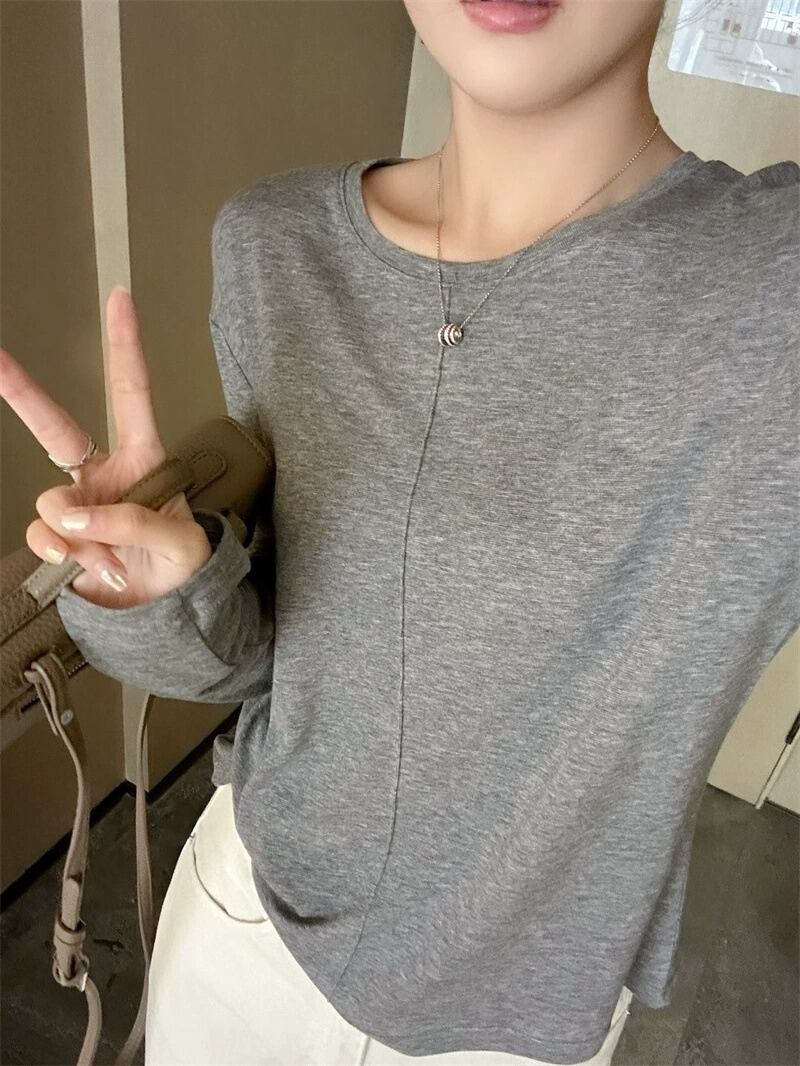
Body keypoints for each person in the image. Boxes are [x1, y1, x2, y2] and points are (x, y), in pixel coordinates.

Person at [1, 0, 797, 1063]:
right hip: (244, 918)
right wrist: (147, 597)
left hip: (511, 1017)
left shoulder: (771, 289)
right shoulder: (274, 245)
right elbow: (276, 655)